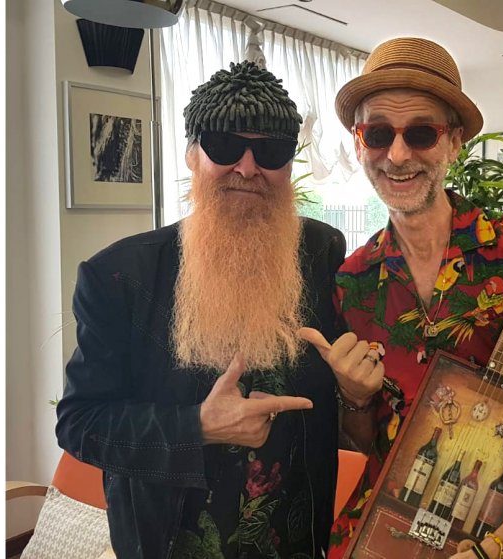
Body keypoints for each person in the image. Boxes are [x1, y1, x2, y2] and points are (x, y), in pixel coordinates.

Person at [301, 37, 503, 559]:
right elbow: (361, 439)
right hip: (386, 534)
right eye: (377, 133)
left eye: (421, 133)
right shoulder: (352, 280)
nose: (397, 155)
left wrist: (498, 549)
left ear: (454, 143)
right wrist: (354, 398)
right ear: (358, 145)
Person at [55, 60, 348, 559]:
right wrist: (197, 427)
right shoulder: (119, 276)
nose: (248, 168)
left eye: (271, 151)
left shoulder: (320, 251)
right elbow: (80, 423)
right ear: (192, 154)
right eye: (225, 146)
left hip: (297, 542)